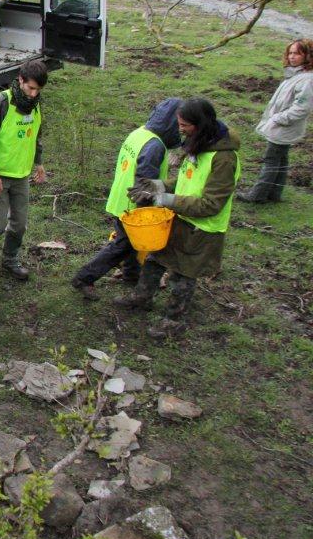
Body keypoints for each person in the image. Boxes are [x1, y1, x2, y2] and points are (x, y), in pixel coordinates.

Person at [114, 98, 240, 338]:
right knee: (155, 258)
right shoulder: (199, 144)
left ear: (201, 124)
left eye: (185, 125)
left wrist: (166, 200)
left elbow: (211, 204)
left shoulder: (223, 159)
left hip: (202, 228)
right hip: (180, 218)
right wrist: (158, 185)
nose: (179, 129)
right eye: (178, 124)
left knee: (183, 275)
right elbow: (187, 182)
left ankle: (174, 321)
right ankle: (142, 298)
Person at [71, 98, 183, 300]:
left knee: (132, 245)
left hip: (119, 199)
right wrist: (144, 214)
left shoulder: (140, 132)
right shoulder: (155, 146)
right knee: (123, 245)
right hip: (132, 207)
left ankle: (132, 276)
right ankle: (84, 278)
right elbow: (144, 184)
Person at [0, 59, 48, 279]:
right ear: (21, 80)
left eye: (38, 90)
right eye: (30, 88)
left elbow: (36, 135)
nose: (33, 94)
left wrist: (38, 163)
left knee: (19, 225)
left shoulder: (36, 103)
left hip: (21, 175)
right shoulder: (1, 102)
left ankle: (10, 260)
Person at [237, 38, 313, 203]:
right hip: (283, 125)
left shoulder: (306, 79)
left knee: (271, 160)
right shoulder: (295, 75)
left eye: (297, 54)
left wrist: (279, 119)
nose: (292, 57)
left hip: (284, 126)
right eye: (290, 53)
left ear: (307, 56)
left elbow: (302, 107)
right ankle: (274, 193)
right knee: (281, 159)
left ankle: (257, 195)